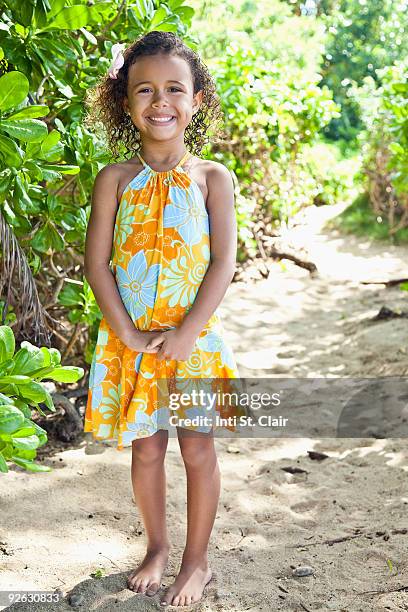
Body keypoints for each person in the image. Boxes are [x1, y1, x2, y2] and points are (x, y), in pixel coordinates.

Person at [82, 30, 243, 607]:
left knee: (198, 449)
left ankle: (196, 563)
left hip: (191, 341)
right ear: (125, 102)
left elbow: (224, 262)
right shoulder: (115, 180)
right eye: (144, 90)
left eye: (175, 88)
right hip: (131, 341)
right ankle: (157, 547)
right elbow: (96, 263)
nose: (160, 102)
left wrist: (189, 330)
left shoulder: (213, 179)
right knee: (145, 450)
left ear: (196, 98)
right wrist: (125, 331)